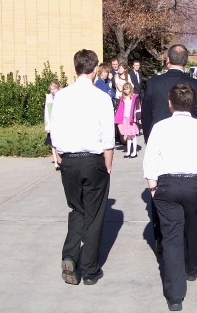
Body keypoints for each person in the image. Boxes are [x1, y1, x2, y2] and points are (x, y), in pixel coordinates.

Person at [143, 83, 197, 311]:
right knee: (195, 228)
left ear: (170, 103)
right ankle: (192, 269)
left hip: (168, 185)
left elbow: (150, 162)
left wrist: (154, 190)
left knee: (172, 238)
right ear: (193, 104)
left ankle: (175, 295)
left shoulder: (160, 127)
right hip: (196, 185)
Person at [50, 49, 115, 286]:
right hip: (93, 159)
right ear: (95, 69)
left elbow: (54, 131)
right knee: (95, 215)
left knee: (76, 209)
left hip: (69, 160)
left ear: (75, 68)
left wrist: (59, 157)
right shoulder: (101, 97)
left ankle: (69, 256)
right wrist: (108, 166)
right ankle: (89, 269)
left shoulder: (62, 96)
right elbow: (108, 137)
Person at [141, 44, 197, 253]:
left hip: (161, 143)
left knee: (159, 189)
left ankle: (161, 237)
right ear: (186, 61)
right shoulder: (195, 85)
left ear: (167, 60)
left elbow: (145, 117)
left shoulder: (153, 83)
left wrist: (150, 141)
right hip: (190, 146)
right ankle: (187, 236)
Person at [114, 82, 140, 158]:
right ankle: (128, 151)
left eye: (127, 89)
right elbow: (120, 109)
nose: (126, 91)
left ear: (130, 89)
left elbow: (138, 107)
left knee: (133, 135)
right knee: (128, 136)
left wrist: (137, 117)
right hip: (125, 118)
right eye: (124, 89)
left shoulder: (134, 97)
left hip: (131, 118)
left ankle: (134, 151)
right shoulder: (123, 98)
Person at [44, 80, 62, 170]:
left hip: (60, 124)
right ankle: (56, 161)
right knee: (53, 143)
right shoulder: (49, 98)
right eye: (51, 89)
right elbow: (47, 112)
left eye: (54, 89)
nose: (52, 91)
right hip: (52, 123)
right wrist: (47, 126)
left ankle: (61, 159)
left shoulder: (62, 96)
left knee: (59, 142)